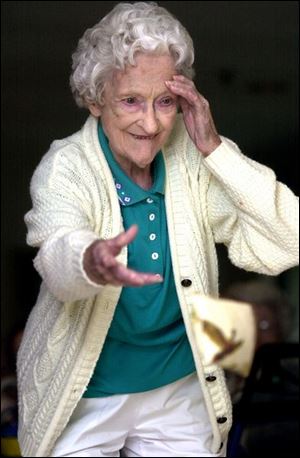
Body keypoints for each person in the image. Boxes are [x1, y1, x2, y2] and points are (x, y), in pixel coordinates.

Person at [16, 2, 299, 457]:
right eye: (130, 100)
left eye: (164, 102)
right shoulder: (66, 166)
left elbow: (290, 238)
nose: (150, 124)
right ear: (95, 99)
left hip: (178, 390)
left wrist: (214, 148)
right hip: (85, 394)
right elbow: (57, 251)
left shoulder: (192, 161)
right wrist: (90, 259)